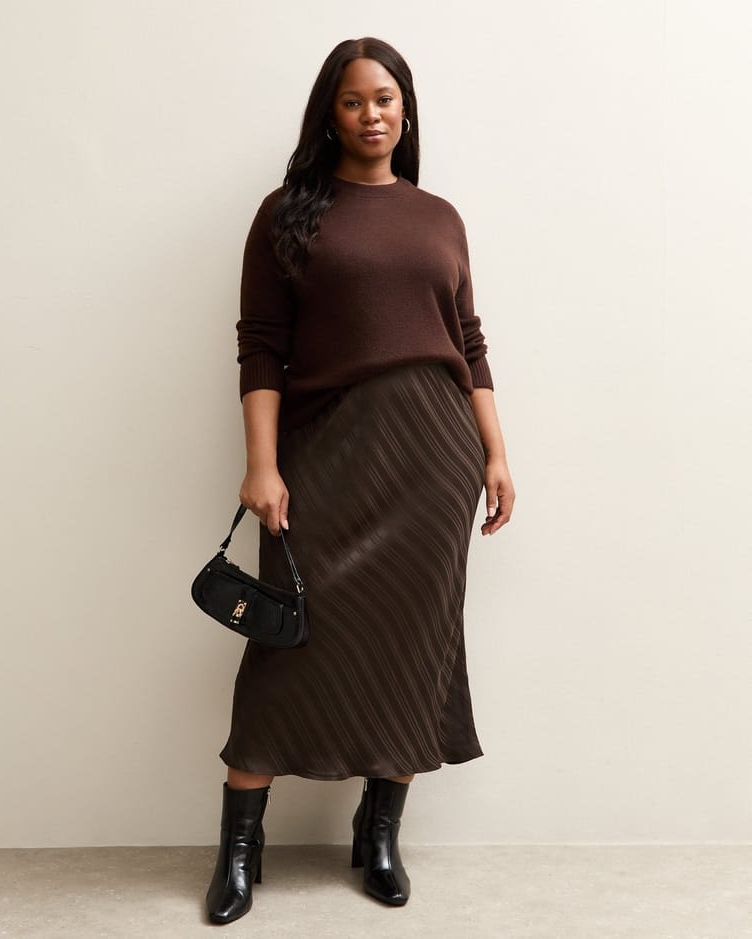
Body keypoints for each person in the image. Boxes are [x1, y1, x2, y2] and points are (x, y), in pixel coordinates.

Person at [205, 36, 516, 925]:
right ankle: (238, 849)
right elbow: (260, 345)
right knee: (285, 648)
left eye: (385, 98)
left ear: (405, 111)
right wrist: (262, 463)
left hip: (434, 460)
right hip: (329, 456)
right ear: (330, 114)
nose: (371, 113)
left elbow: (469, 344)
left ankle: (378, 834)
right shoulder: (286, 214)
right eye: (353, 100)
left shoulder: (439, 217)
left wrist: (496, 454)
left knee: (414, 645)